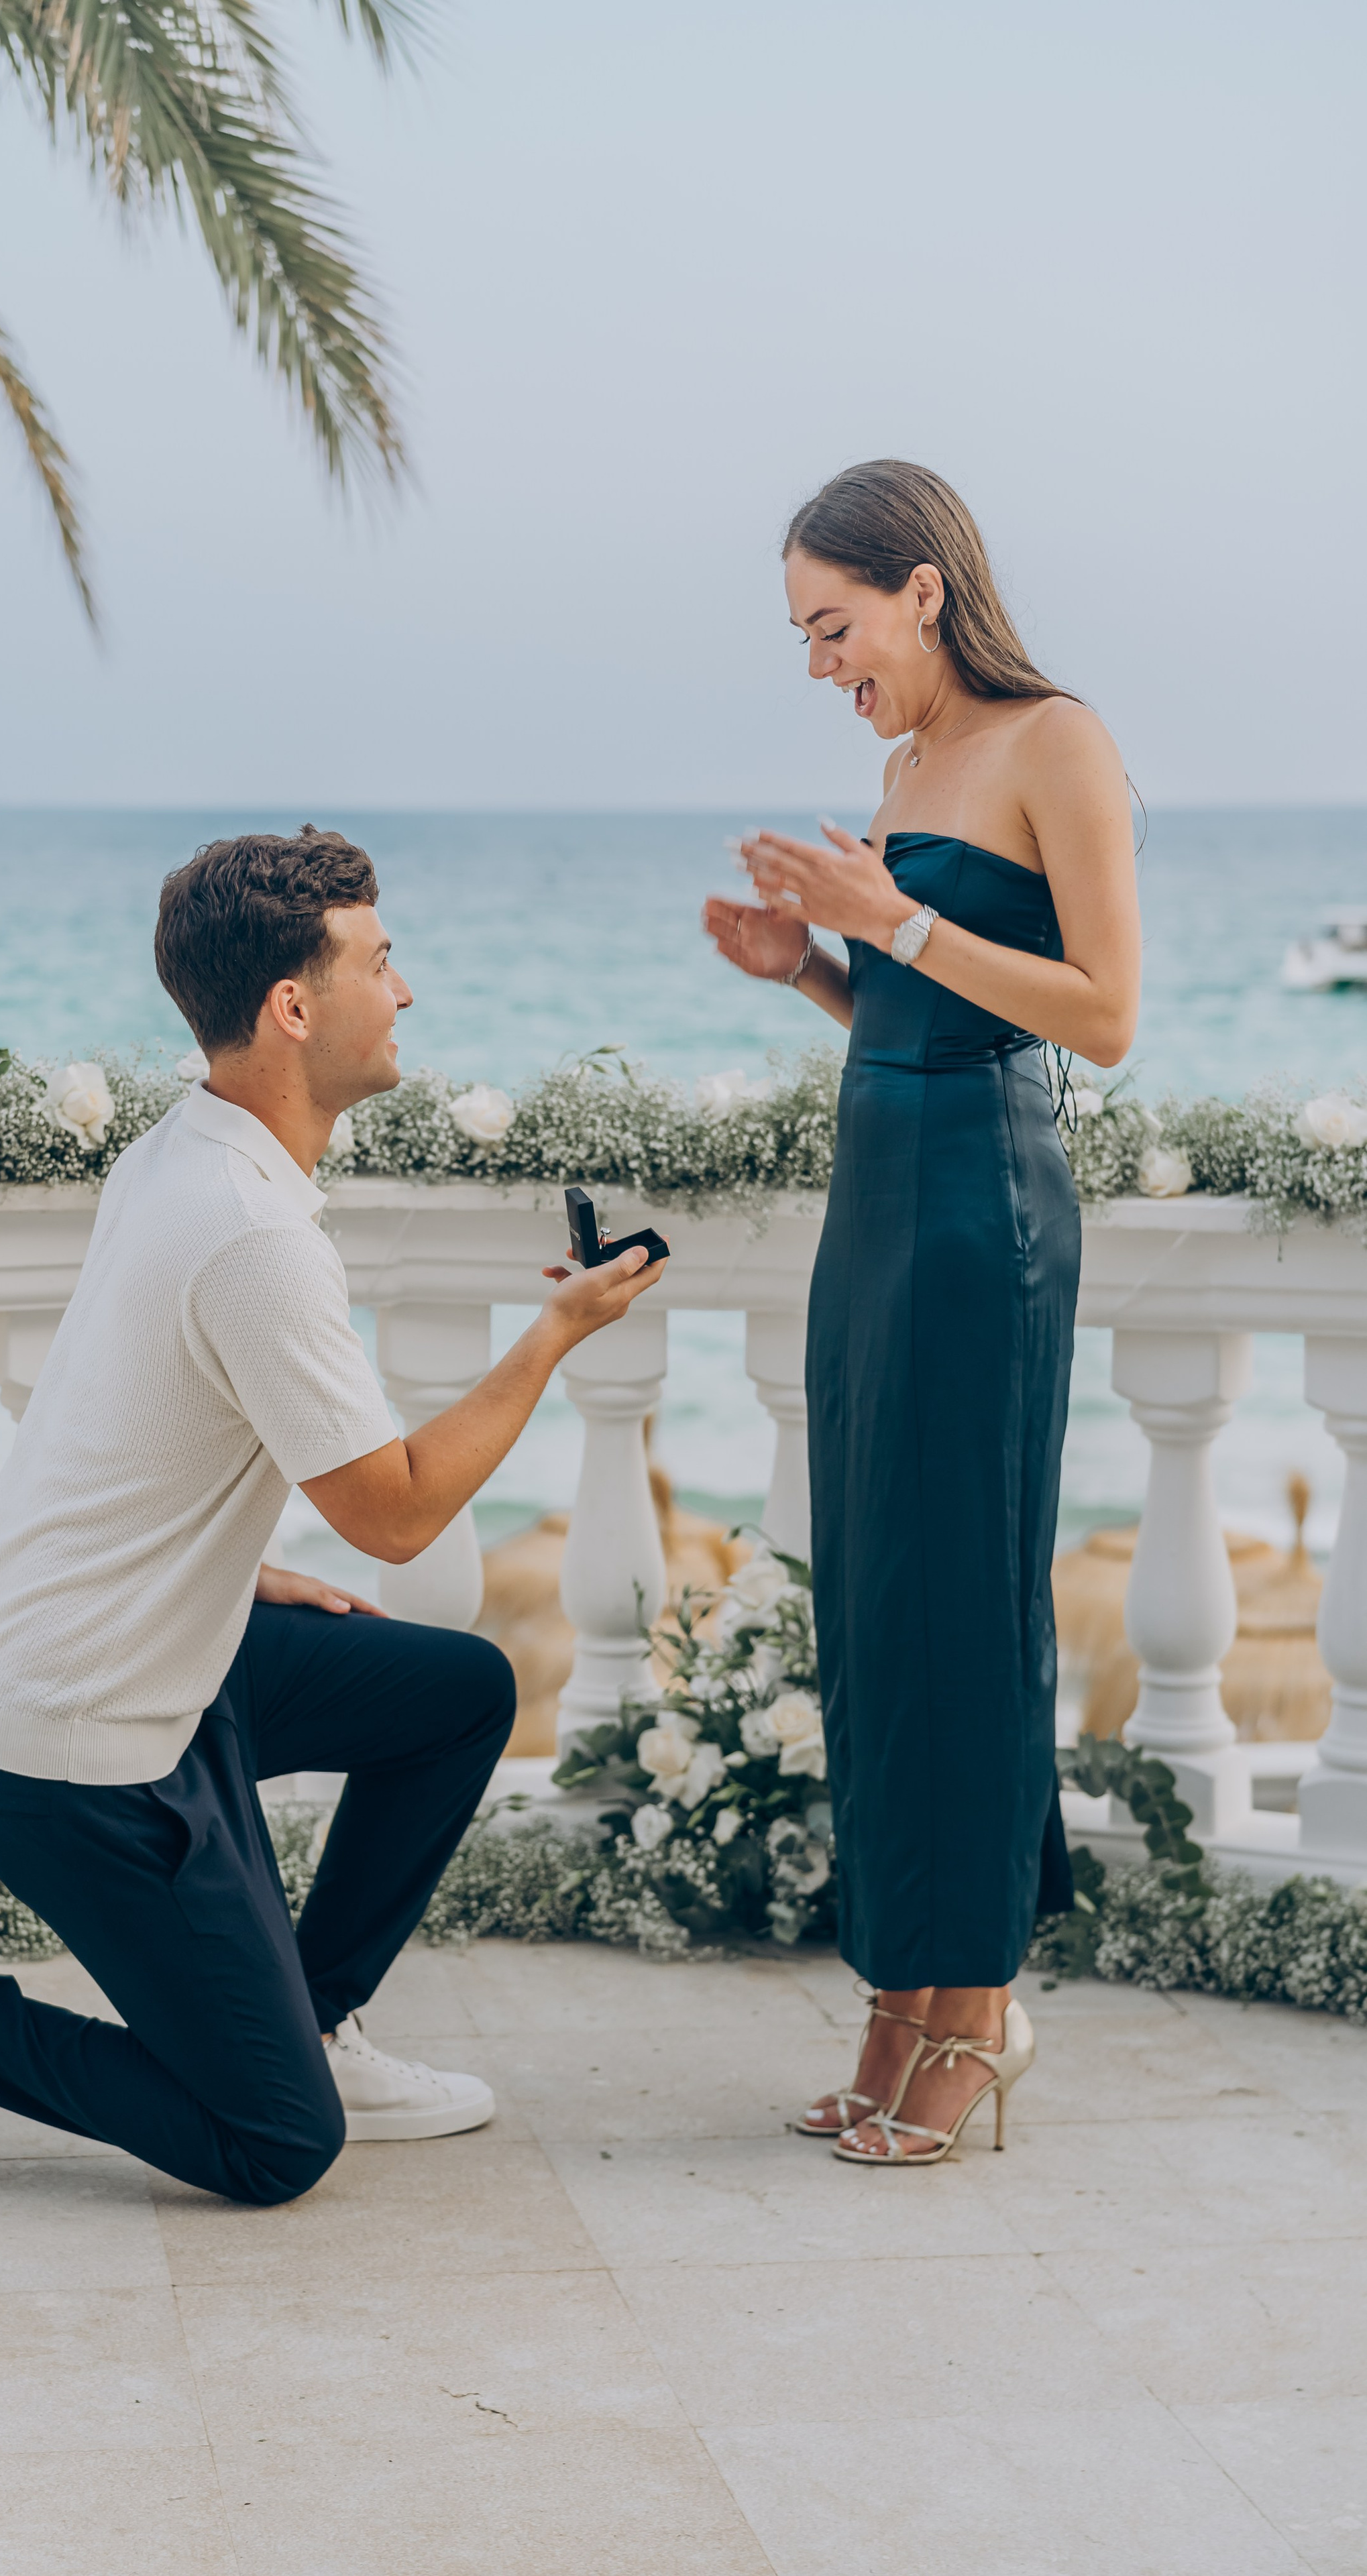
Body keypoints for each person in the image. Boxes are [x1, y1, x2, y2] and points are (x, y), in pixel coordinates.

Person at [0, 826, 665, 2213]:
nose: (406, 991)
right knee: (275, 2146)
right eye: (381, 961)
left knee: (451, 1694)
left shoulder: (183, 1151)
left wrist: (228, 1563)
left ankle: (309, 2018)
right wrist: (553, 1333)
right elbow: (393, 1516)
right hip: (75, 1743)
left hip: (155, 1649)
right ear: (293, 1007)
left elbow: (116, 1420)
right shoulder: (248, 1230)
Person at [704, 461, 1140, 2164]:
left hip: (982, 1218)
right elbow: (909, 1011)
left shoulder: (1057, 743)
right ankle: (900, 1997)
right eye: (805, 636)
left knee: (961, 1602)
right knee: (878, 1601)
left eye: (834, 626)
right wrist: (810, 968)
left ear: (922, 593)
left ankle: (973, 2015)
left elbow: (1096, 1016)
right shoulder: (897, 769)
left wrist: (889, 914)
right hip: (872, 1210)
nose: (823, 663)